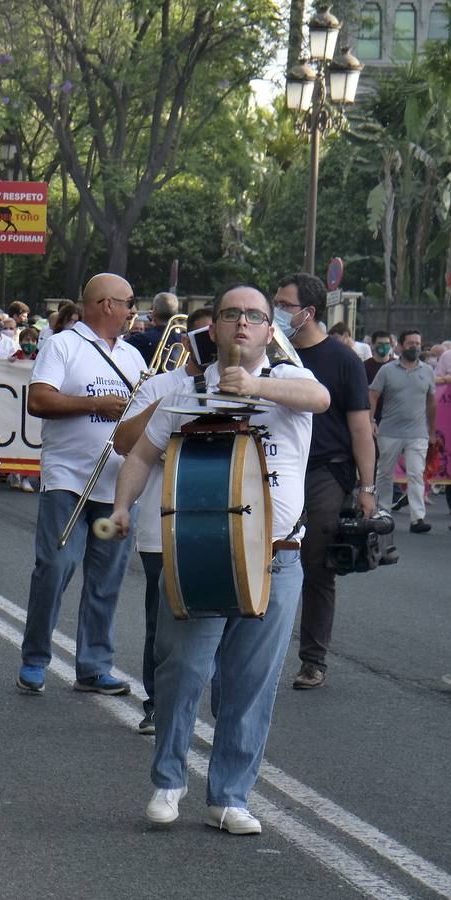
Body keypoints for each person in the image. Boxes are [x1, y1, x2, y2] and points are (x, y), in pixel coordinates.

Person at [109, 283, 329, 836]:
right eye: (231, 315)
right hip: (199, 551)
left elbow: (321, 401)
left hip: (276, 557)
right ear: (215, 327)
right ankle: (168, 782)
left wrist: (255, 386)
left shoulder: (289, 382)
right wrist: (119, 508)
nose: (241, 324)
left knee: (250, 680)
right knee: (182, 669)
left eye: (254, 316)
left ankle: (230, 796)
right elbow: (139, 453)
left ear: (268, 329)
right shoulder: (185, 393)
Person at [17, 273, 143, 696]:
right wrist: (98, 404)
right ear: (106, 305)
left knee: (106, 578)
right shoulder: (63, 345)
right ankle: (35, 658)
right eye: (128, 302)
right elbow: (38, 400)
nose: (132, 311)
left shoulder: (133, 356)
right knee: (55, 568)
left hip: (119, 485)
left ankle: (93, 666)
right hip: (69, 481)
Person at [111, 306, 213, 734]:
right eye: (205, 336)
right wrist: (168, 405)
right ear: (188, 340)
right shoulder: (161, 386)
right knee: (162, 623)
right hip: (161, 518)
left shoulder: (247, 384)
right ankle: (156, 702)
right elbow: (122, 443)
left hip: (218, 518)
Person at [273, 273, 377, 691]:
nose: (275, 311)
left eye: (284, 304)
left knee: (315, 562)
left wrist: (366, 488)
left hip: (324, 471)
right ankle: (253, 648)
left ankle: (313, 660)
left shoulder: (343, 360)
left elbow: (360, 429)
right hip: (274, 464)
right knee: (263, 554)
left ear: (308, 312)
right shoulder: (270, 355)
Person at [370, 329, 437, 534]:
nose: (414, 346)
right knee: (384, 473)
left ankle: (418, 518)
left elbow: (431, 402)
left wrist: (432, 431)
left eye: (417, 343)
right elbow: (373, 395)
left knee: (416, 473)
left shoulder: (427, 371)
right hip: (389, 431)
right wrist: (371, 420)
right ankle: (383, 513)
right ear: (400, 346)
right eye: (410, 343)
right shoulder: (387, 370)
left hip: (417, 433)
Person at [127, 292, 179, 365]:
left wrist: (131, 321)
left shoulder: (141, 339)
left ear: (154, 311)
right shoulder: (182, 340)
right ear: (176, 313)